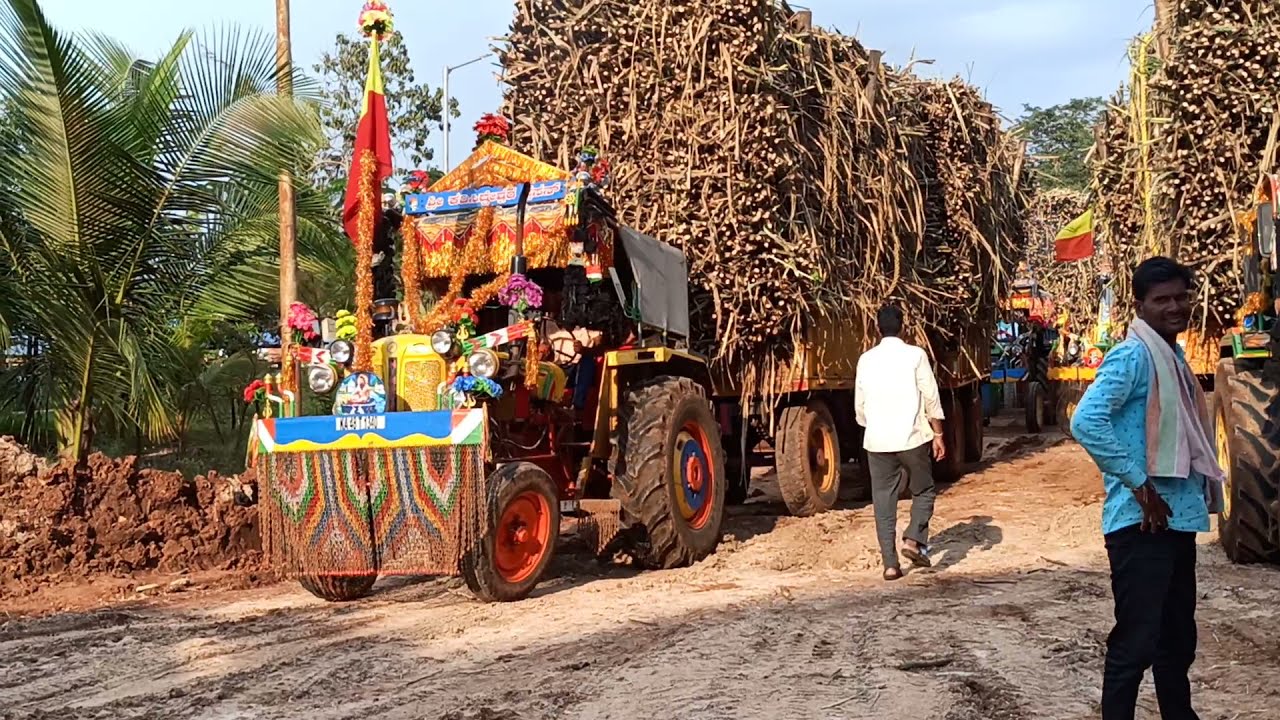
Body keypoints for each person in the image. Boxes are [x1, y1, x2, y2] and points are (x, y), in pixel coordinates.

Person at [1071, 257, 1224, 720]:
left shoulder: (1172, 355)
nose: (1174, 307)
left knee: (1176, 641)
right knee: (1136, 644)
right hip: (1141, 524)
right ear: (1140, 305)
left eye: (1181, 297)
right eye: (1162, 300)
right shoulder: (1135, 355)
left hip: (1174, 519)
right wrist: (1141, 487)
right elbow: (1086, 421)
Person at [854, 304, 947, 581]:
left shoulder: (865, 360)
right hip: (913, 438)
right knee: (925, 490)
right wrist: (938, 434)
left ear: (877, 328)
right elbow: (931, 397)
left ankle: (891, 566)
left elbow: (860, 405)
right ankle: (913, 540)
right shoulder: (915, 355)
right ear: (903, 327)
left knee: (883, 502)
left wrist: (872, 426)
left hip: (877, 440)